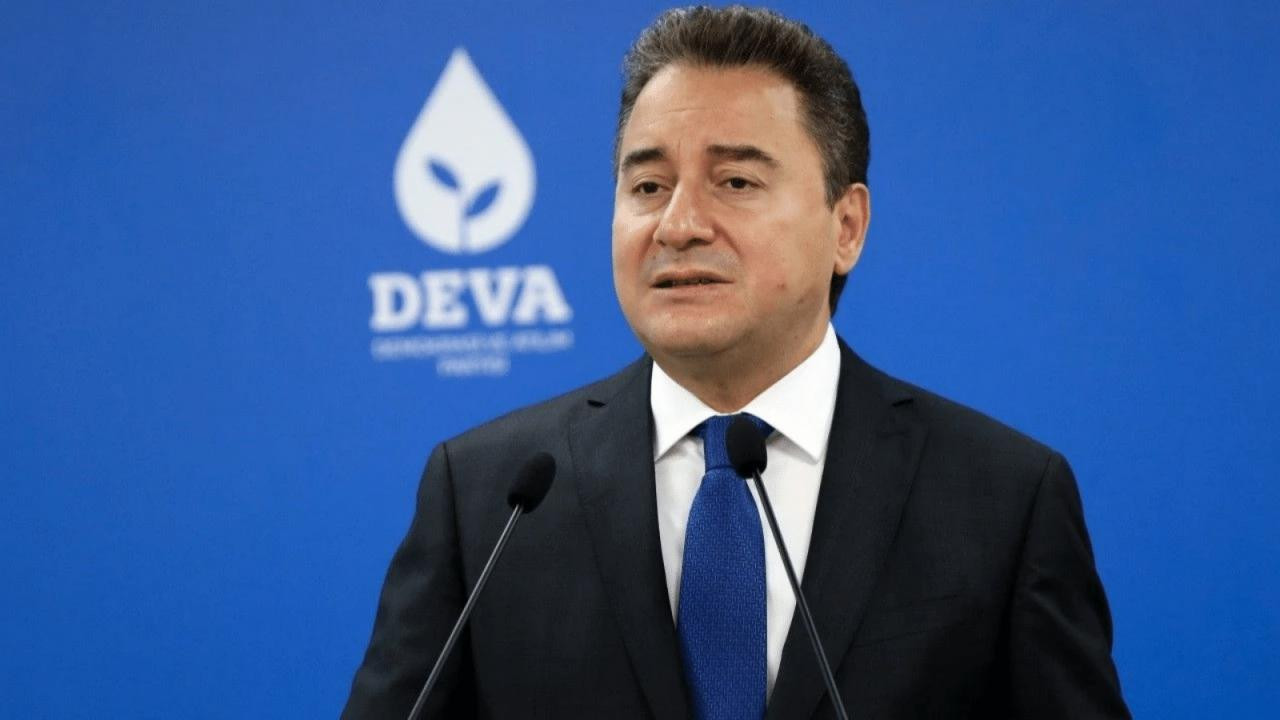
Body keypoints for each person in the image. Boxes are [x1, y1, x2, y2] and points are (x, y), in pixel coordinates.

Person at [342, 6, 1131, 718]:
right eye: (648, 185)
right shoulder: (491, 499)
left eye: (736, 181)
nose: (678, 224)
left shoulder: (1002, 499)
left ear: (846, 226)